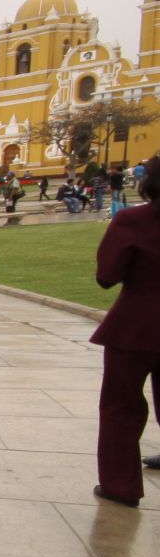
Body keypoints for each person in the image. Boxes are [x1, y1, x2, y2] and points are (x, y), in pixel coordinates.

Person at [90, 156, 160, 506]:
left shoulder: (135, 220)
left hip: (137, 326)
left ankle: (121, 485)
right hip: (140, 326)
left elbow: (108, 275)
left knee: (121, 406)